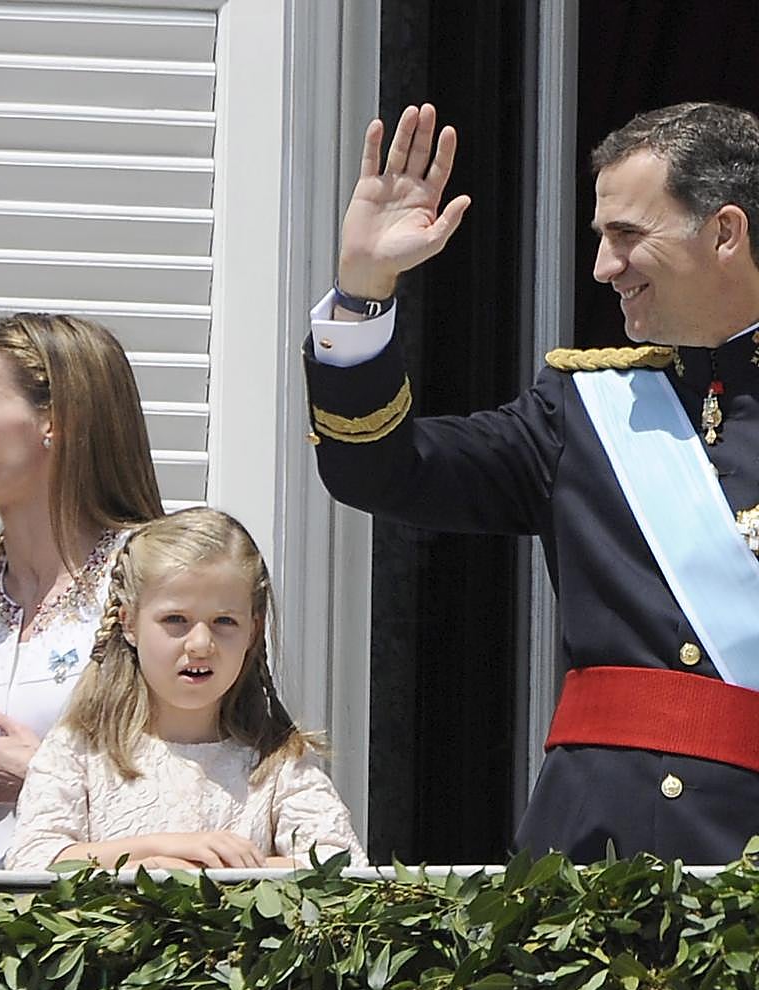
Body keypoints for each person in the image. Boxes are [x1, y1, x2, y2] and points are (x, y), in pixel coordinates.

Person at [305, 100, 759, 864]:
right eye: (600, 238)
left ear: (725, 231)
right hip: (592, 853)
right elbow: (377, 467)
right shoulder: (581, 410)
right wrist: (364, 287)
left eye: (627, 236)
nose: (603, 268)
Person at [0, 313, 165, 867]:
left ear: (57, 421)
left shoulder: (155, 578)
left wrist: (45, 775)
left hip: (115, 927)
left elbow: (224, 775)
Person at [6, 508, 366, 870]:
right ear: (128, 622)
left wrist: (221, 875)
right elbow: (31, 864)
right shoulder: (82, 747)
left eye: (224, 621)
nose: (200, 643)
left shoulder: (276, 763)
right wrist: (158, 855)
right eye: (175, 620)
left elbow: (343, 867)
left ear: (253, 631)